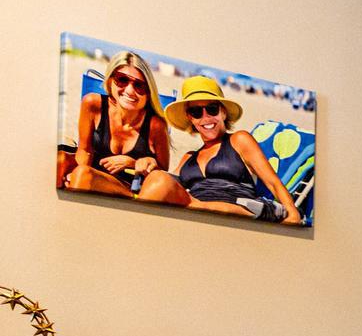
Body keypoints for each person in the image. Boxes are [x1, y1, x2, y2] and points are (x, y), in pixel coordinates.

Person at [139, 75, 303, 224]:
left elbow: (273, 182)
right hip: (196, 216)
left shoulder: (239, 140)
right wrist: (149, 164)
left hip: (235, 209)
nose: (206, 117)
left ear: (223, 112)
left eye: (212, 109)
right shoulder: (188, 158)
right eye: (196, 112)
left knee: (194, 204)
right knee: (157, 178)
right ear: (190, 118)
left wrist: (293, 213)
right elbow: (164, 184)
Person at [64, 51, 170, 196]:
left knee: (83, 175)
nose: (130, 91)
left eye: (139, 85)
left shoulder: (155, 125)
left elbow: (163, 174)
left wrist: (133, 163)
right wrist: (76, 175)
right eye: (122, 79)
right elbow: (85, 150)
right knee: (61, 160)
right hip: (89, 174)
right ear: (110, 80)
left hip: (127, 187)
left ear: (148, 91)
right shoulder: (92, 104)